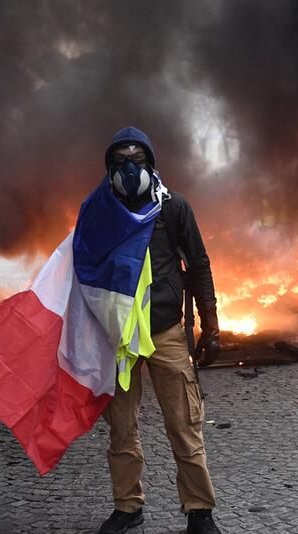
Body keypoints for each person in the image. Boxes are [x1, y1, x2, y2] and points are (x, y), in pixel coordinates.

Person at [95, 127, 221, 534]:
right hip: (118, 337)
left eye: (137, 160)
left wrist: (211, 325)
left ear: (151, 163)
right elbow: (82, 272)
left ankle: (199, 510)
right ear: (109, 168)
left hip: (165, 330)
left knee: (184, 423)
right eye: (120, 162)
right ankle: (128, 506)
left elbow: (198, 264)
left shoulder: (173, 208)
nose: (130, 170)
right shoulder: (99, 212)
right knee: (121, 427)